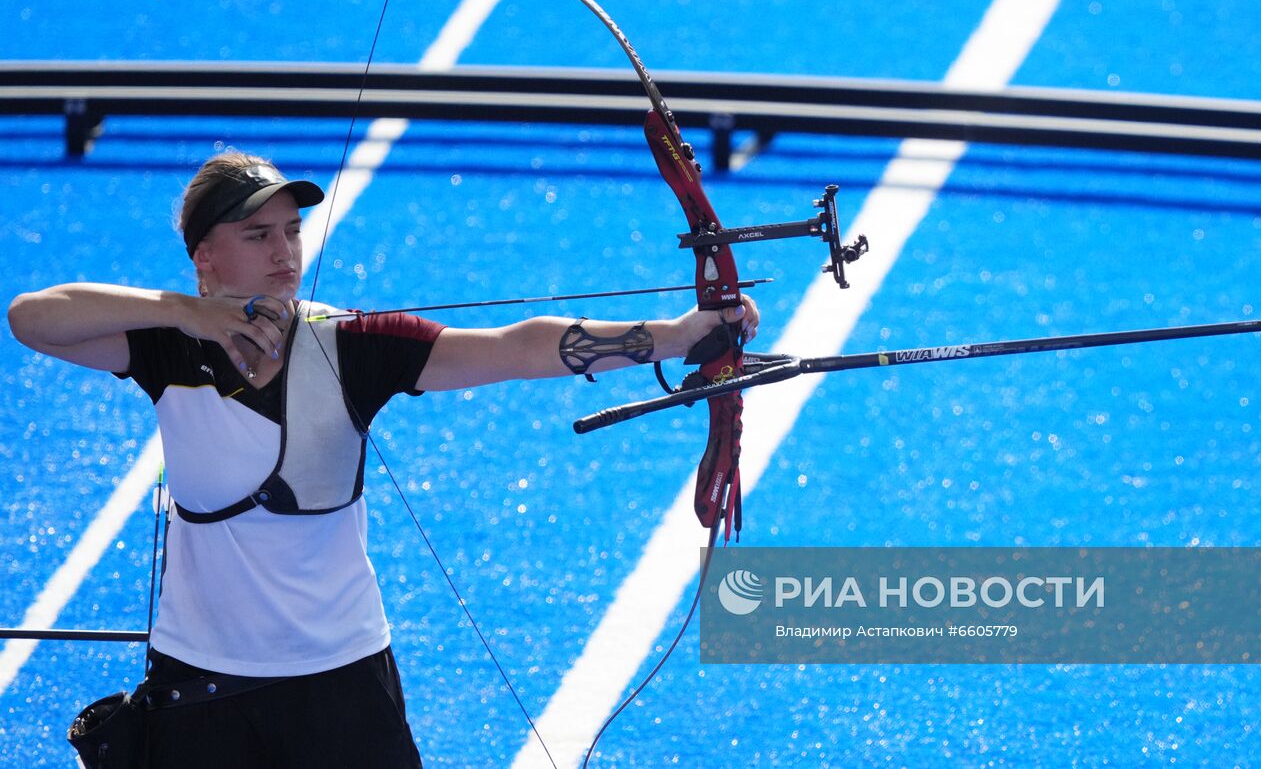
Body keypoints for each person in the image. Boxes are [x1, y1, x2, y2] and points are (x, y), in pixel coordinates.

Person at [8, 150, 758, 768]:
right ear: (205, 257)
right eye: (257, 234)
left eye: (292, 231)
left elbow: (515, 348)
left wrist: (678, 333)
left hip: (339, 683)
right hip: (202, 683)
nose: (284, 251)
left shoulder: (351, 346)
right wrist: (184, 310)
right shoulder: (164, 347)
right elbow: (30, 317)